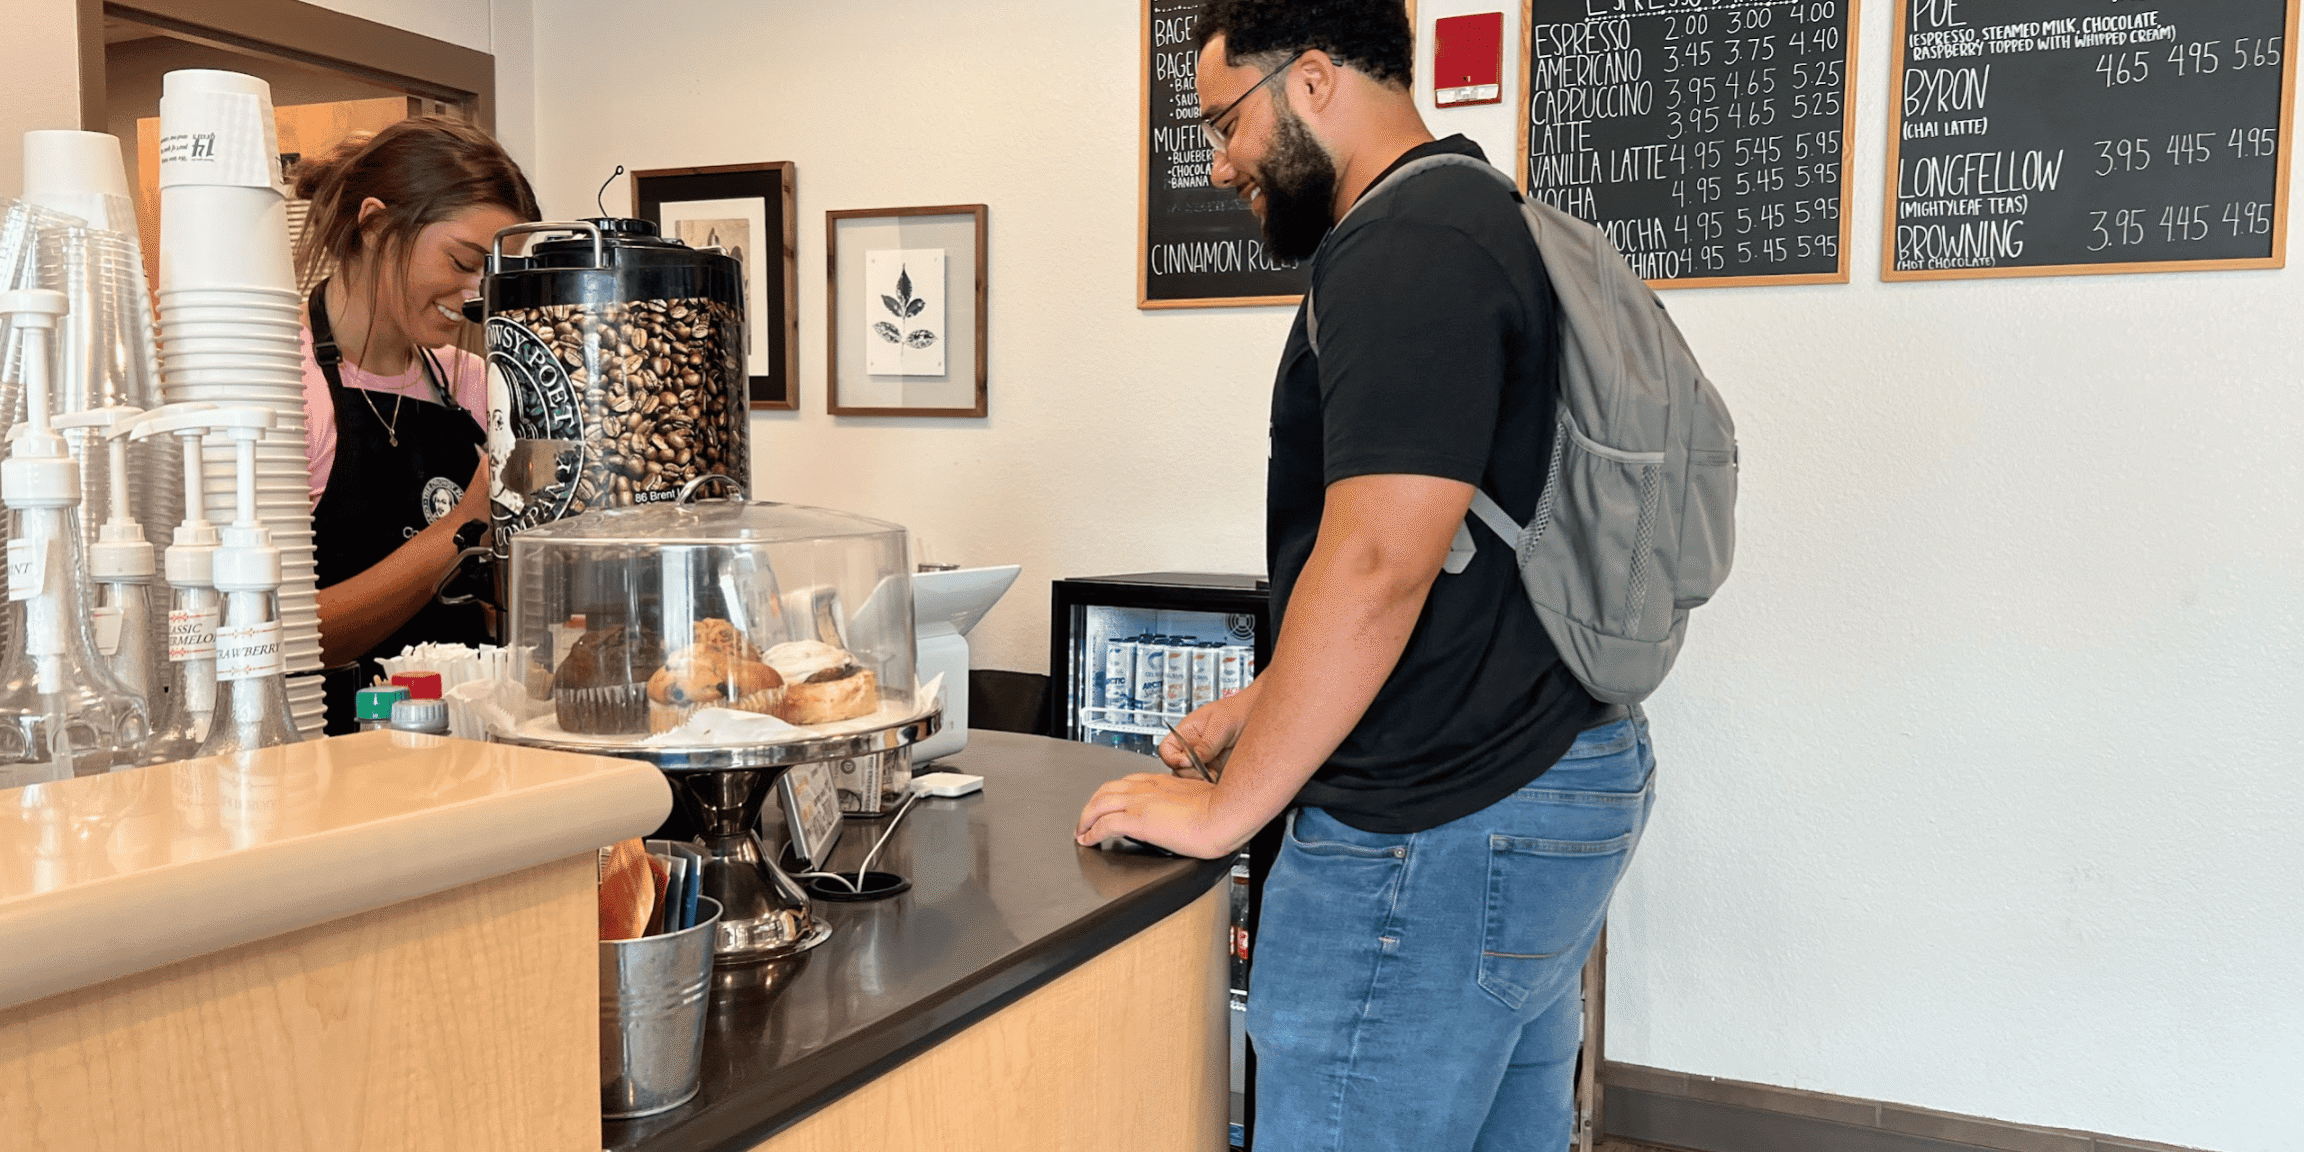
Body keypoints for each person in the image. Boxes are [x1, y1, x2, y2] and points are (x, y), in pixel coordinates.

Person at [1073, 3, 1657, 1148]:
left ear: (1316, 79)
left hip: (1435, 831)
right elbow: (1466, 562)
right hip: (1551, 777)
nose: (1218, 159)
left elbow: (1382, 559)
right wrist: (1259, 709)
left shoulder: (1404, 247)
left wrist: (1228, 811)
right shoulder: (1485, 212)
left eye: (1224, 120)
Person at [293, 118, 540, 733]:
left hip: (470, 753)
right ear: (375, 226)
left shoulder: (474, 381)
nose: (478, 292)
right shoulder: (284, 384)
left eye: (494, 273)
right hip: (339, 762)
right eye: (463, 261)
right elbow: (279, 643)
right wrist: (467, 520)